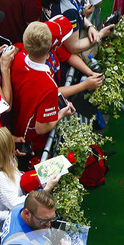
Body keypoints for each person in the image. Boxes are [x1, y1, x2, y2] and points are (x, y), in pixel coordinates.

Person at [9, 22, 75, 156]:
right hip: (33, 144)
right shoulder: (48, 85)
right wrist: (62, 113)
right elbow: (41, 128)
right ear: (52, 47)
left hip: (14, 128)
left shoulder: (18, 57)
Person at [0, 127, 58, 212]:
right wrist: (45, 189)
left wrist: (40, 176)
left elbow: (18, 178)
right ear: (4, 150)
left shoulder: (8, 159)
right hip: (9, 221)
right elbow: (15, 204)